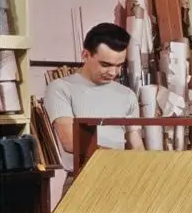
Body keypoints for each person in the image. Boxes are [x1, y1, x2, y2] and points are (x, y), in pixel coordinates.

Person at [44, 22, 144, 170]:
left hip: (121, 177)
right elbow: (72, 142)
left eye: (118, 65)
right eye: (105, 64)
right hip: (82, 179)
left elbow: (135, 144)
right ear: (86, 55)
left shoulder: (127, 95)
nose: (113, 72)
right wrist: (121, 160)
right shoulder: (61, 88)